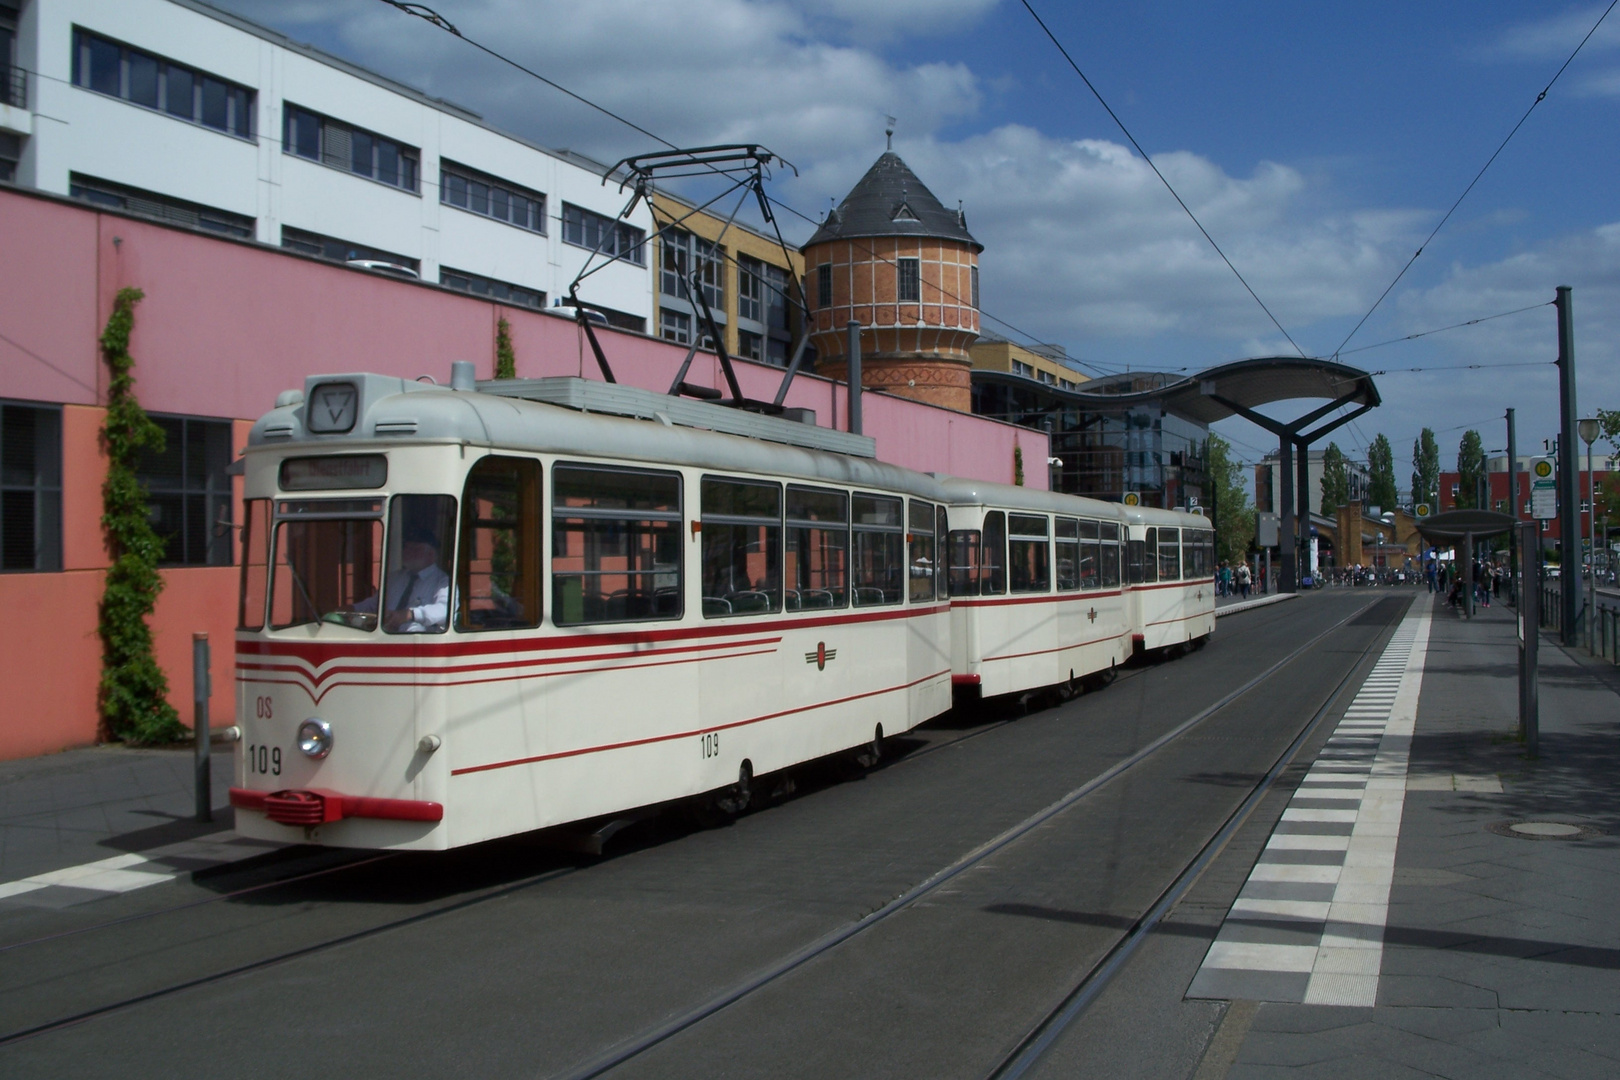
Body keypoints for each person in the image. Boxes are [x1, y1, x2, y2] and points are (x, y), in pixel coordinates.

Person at [355, 526, 450, 632]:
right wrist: (352, 609)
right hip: (384, 639)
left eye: (415, 549)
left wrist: (411, 614)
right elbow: (374, 604)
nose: (407, 552)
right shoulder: (395, 578)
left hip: (420, 643)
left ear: (431, 555)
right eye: (406, 547)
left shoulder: (443, 581)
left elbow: (445, 610)